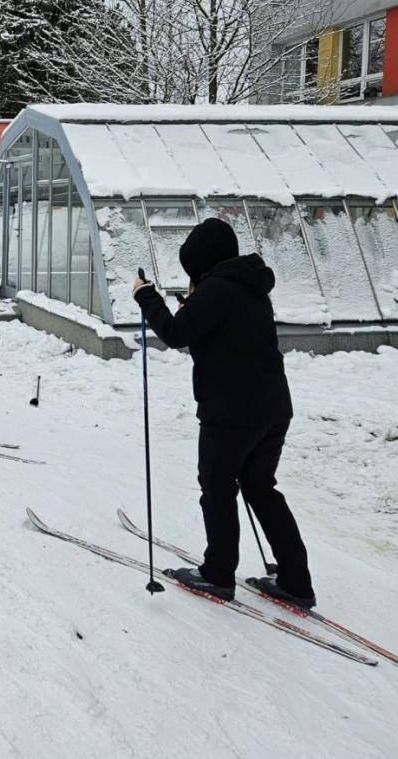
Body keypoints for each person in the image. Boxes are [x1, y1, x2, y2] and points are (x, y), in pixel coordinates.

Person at [132, 217, 315, 609]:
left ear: (203, 259)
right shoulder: (250, 286)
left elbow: (175, 334)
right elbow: (226, 337)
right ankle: (296, 580)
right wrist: (193, 310)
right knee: (260, 487)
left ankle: (217, 574)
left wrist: (146, 297)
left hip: (232, 411)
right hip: (273, 408)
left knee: (217, 487)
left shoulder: (215, 290)